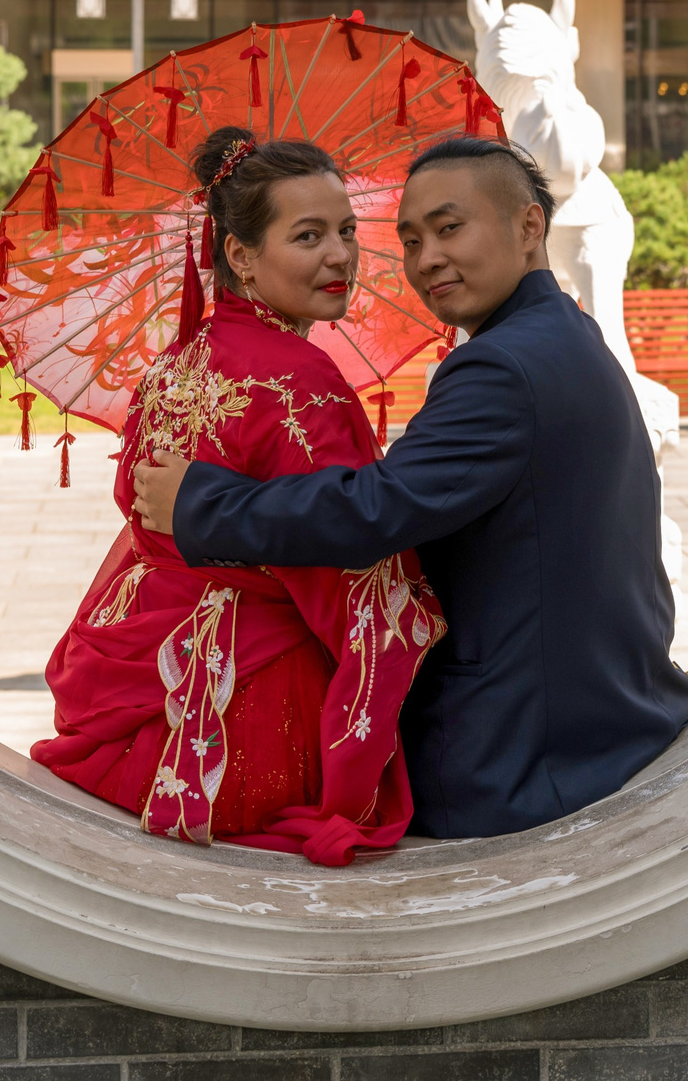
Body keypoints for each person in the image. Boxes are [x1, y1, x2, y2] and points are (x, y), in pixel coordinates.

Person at [135, 137, 688, 841]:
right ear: (239, 255)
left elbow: (375, 510)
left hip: (518, 757)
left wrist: (200, 503)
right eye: (409, 238)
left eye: (449, 227)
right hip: (607, 707)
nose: (425, 258)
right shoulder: (564, 333)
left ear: (529, 226)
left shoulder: (500, 367)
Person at [33, 129, 446, 866]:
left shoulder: (178, 359)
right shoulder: (303, 383)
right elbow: (356, 581)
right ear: (242, 256)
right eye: (309, 235)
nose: (341, 256)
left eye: (348, 231)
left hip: (142, 687)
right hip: (243, 714)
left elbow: (140, 506)